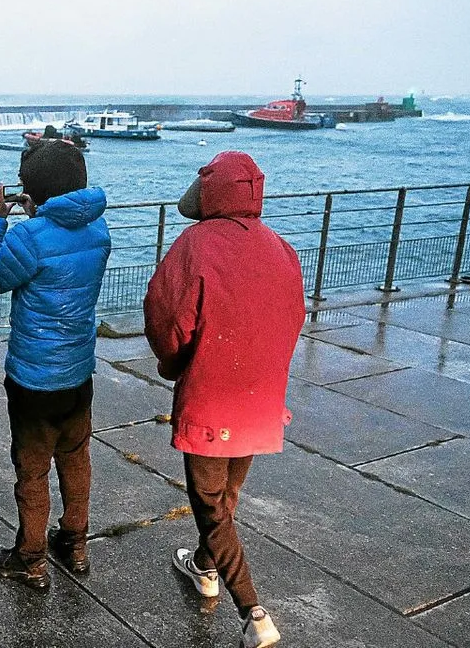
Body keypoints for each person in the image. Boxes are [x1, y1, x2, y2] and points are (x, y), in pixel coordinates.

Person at [143, 151, 304, 648]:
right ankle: (205, 566)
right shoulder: (281, 247)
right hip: (261, 399)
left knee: (211, 505)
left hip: (212, 397)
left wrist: (174, 365)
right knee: (227, 497)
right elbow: (294, 317)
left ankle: (253, 611)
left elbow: (167, 317)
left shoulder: (194, 244)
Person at [0, 141, 112, 590]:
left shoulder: (27, 237)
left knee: (32, 469)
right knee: (76, 458)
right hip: (78, 370)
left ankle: (30, 558)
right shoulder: (99, 230)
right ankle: (74, 543)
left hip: (34, 378)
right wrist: (42, 213)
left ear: (34, 191)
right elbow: (62, 257)